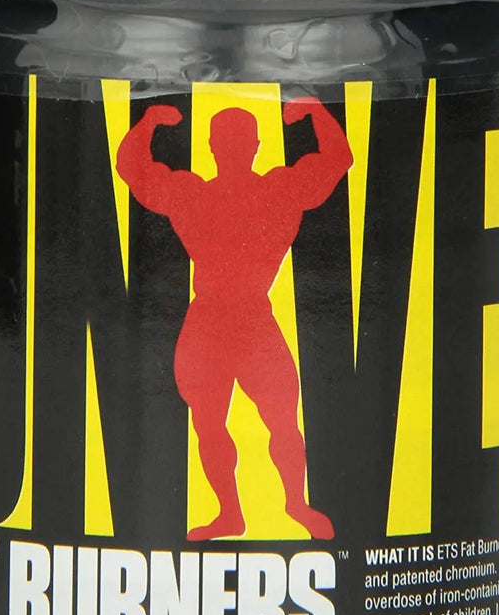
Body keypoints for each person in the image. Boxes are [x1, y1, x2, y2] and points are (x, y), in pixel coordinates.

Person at [117, 97, 353, 540]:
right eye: (229, 141)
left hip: (242, 319)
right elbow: (336, 159)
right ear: (252, 145)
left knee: (276, 419)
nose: (230, 147)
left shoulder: (240, 193)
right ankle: (236, 513)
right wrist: (314, 113)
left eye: (233, 140)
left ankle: (292, 504)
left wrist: (150, 122)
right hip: (216, 320)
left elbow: (133, 167)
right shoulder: (251, 192)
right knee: (217, 422)